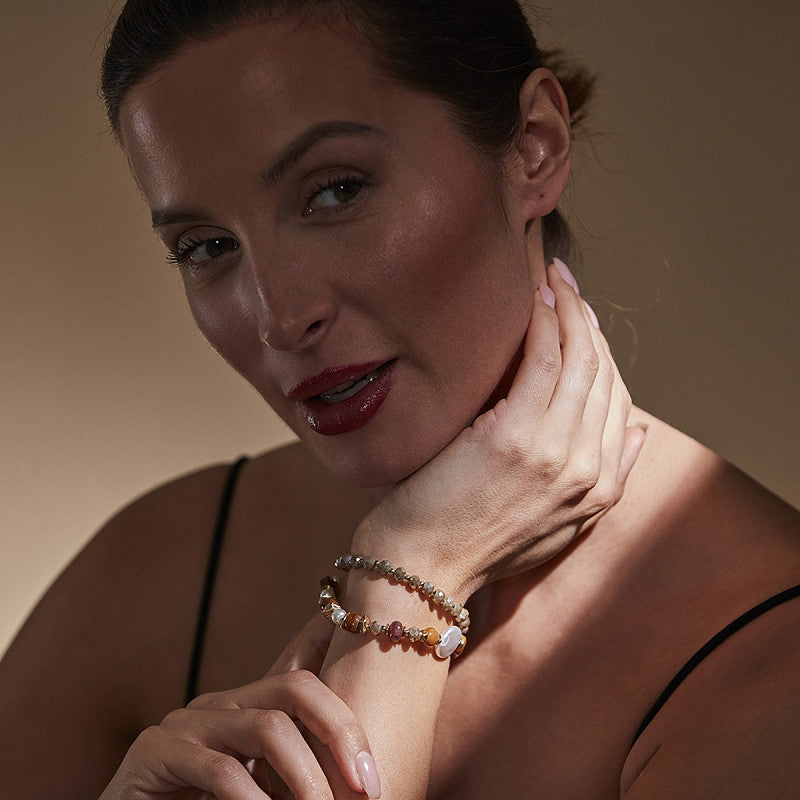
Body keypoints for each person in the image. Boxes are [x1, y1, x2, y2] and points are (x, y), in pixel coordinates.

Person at [2, 1, 799, 798]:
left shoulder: (769, 652)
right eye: (206, 246)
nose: (280, 317)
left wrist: (408, 571)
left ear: (533, 145)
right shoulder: (158, 571)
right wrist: (416, 565)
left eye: (335, 191)